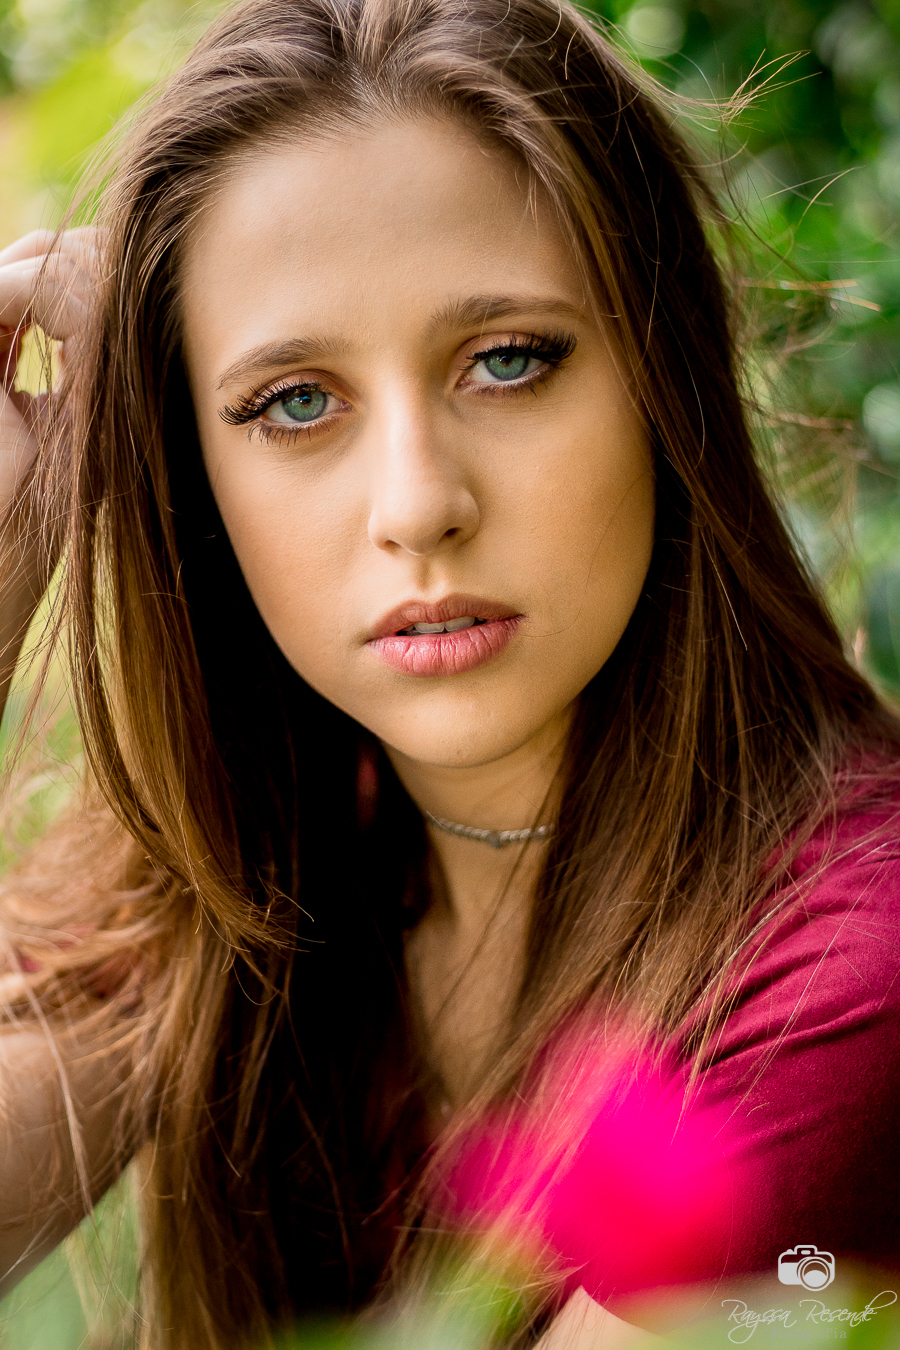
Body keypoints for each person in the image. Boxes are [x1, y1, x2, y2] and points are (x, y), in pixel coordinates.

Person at [1, 0, 899, 1346]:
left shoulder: (848, 985)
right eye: (296, 401)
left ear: (663, 383)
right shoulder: (268, 858)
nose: (418, 504)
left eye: (508, 360)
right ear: (187, 471)